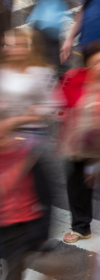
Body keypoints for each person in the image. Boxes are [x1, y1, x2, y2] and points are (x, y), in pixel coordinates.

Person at [0, 127, 53, 280]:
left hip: (25, 224)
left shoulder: (30, 158)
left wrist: (43, 233)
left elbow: (46, 196)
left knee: (14, 273)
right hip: (0, 223)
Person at [56, 41, 100, 244]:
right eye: (95, 63)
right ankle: (81, 227)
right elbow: (60, 101)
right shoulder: (74, 78)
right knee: (77, 186)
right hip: (80, 147)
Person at [0, 28, 57, 141]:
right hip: (2, 131)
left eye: (17, 45)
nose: (9, 49)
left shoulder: (42, 72)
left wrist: (19, 119)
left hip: (31, 132)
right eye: (5, 45)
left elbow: (52, 105)